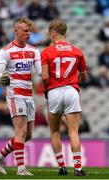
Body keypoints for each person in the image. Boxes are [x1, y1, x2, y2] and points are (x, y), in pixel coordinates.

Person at [0, 17, 41, 176]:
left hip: (29, 94)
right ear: (16, 31)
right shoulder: (5, 51)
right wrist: (2, 78)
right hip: (14, 94)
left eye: (29, 31)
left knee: (28, 135)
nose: (28, 33)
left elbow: (39, 72)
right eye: (25, 31)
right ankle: (21, 169)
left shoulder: (34, 50)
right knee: (21, 132)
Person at [41, 19, 87, 176]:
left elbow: (45, 77)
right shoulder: (77, 51)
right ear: (64, 34)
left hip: (54, 91)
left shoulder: (46, 52)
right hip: (71, 91)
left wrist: (47, 91)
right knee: (73, 132)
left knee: (55, 131)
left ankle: (62, 167)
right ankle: (78, 169)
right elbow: (84, 76)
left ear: (53, 35)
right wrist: (75, 81)